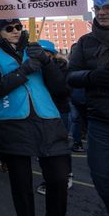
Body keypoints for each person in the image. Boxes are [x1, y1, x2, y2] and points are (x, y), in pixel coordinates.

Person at [0, 19, 69, 216]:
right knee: (21, 186)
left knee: (59, 179)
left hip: (48, 120)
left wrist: (47, 62)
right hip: (12, 122)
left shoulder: (35, 49)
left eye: (18, 27)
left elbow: (60, 89)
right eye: (9, 29)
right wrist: (23, 70)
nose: (15, 31)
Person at [67, 0, 109, 216]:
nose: (101, 12)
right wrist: (91, 77)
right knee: (102, 178)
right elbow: (71, 75)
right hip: (102, 121)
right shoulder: (86, 41)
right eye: (98, 8)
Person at [34, 40, 73, 196]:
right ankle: (49, 179)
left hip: (59, 111)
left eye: (42, 53)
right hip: (42, 112)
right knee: (44, 147)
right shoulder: (36, 68)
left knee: (60, 146)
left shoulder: (61, 68)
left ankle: (67, 175)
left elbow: (62, 90)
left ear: (49, 54)